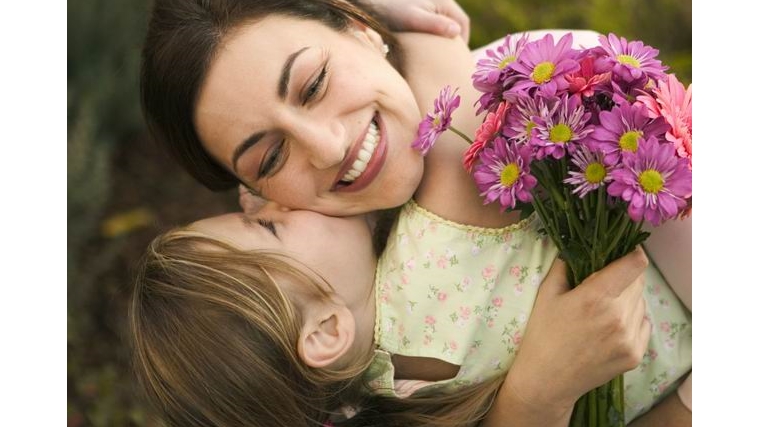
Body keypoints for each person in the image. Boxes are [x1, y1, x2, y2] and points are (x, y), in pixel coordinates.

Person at [137, 0, 689, 424]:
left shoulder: (364, 392)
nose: (328, 147)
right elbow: (453, 103)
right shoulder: (428, 249)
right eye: (271, 157)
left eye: (314, 84)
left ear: (356, 31)